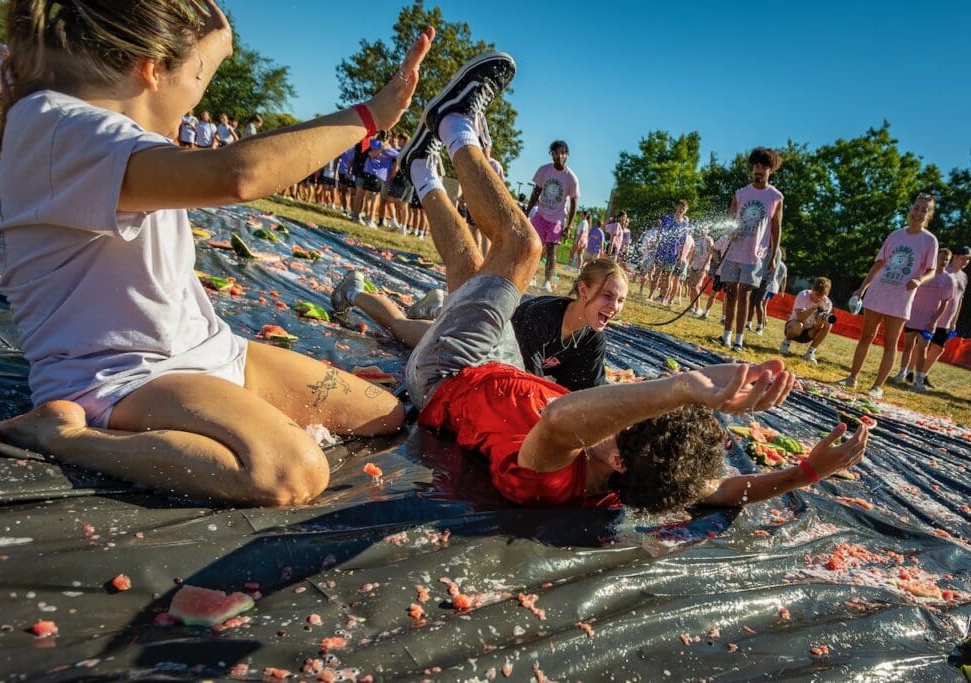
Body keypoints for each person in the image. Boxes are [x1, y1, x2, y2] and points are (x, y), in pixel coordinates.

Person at [0, 0, 436, 506]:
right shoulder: (57, 128)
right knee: (291, 473)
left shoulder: (90, 127)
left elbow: (184, 94)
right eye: (196, 73)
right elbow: (237, 174)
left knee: (384, 414)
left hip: (209, 351)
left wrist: (217, 44)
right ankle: (63, 435)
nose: (196, 92)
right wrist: (371, 116)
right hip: (119, 377)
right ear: (150, 70)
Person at [396, 54, 867, 511]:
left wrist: (680, 387)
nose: (619, 412)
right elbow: (720, 489)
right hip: (503, 367)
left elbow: (558, 418)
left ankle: (453, 123)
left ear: (618, 459)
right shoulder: (635, 477)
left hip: (449, 375)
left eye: (627, 420)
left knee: (521, 247)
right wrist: (806, 473)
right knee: (471, 271)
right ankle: (421, 169)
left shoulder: (550, 472)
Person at [330, 258, 627, 391]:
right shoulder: (543, 318)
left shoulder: (592, 337)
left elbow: (588, 392)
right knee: (400, 326)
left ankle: (437, 306)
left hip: (489, 359)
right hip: (471, 342)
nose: (614, 307)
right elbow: (527, 384)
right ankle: (353, 291)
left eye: (621, 300)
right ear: (584, 290)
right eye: (608, 296)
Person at [838, 193, 939, 398]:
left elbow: (932, 270)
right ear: (910, 210)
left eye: (924, 210)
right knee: (866, 336)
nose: (918, 213)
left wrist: (919, 280)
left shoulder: (930, 241)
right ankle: (852, 378)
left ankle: (877, 386)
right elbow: (879, 263)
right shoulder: (895, 235)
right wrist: (862, 288)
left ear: (929, 215)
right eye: (916, 208)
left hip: (901, 297)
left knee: (890, 342)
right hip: (879, 291)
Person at [718, 149, 783, 351]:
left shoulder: (775, 197)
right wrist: (730, 231)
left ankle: (738, 340)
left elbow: (776, 228)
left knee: (745, 295)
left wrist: (774, 255)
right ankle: (726, 336)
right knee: (730, 294)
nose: (758, 170)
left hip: (755, 255)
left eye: (763, 167)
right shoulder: (740, 193)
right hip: (734, 251)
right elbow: (730, 219)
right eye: (756, 166)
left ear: (770, 170)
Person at [892, 248, 954, 389]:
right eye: (941, 258)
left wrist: (934, 321)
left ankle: (919, 379)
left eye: (947, 260)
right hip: (913, 316)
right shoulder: (924, 274)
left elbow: (944, 303)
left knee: (922, 349)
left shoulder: (948, 280)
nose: (943, 261)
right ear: (935, 258)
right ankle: (902, 372)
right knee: (907, 346)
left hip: (928, 321)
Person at [912, 245, 970, 389]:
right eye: (963, 258)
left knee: (938, 348)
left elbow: (959, 299)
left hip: (947, 321)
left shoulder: (964, 277)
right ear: (955, 256)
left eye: (968, 260)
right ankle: (909, 372)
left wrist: (954, 321)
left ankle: (923, 375)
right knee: (921, 346)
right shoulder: (943, 271)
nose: (966, 262)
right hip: (932, 316)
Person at [526, 140, 580, 292]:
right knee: (535, 246)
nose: (559, 156)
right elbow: (536, 192)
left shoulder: (571, 178)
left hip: (557, 219)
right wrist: (527, 211)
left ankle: (547, 281)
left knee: (551, 249)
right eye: (556, 153)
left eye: (562, 153)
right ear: (552, 155)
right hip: (541, 214)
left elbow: (574, 203)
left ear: (566, 155)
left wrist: (569, 225)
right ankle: (531, 276)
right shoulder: (544, 170)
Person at [780, 276, 834, 364]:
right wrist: (814, 308)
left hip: (809, 333)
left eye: (821, 296)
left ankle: (810, 352)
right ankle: (785, 343)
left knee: (829, 324)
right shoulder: (803, 295)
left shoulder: (827, 303)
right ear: (812, 288)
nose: (818, 298)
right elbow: (799, 318)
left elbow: (818, 327)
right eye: (816, 294)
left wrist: (819, 323)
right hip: (794, 329)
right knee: (798, 325)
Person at [650, 200, 690, 305]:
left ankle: (663, 299)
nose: (681, 210)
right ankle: (650, 296)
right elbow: (660, 233)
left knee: (668, 276)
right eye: (680, 207)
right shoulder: (667, 218)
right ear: (676, 207)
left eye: (684, 208)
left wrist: (680, 256)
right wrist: (656, 245)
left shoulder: (685, 224)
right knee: (657, 273)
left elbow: (682, 242)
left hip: (673, 253)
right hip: (662, 249)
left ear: (686, 211)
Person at [747, 248, 787, 336]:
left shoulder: (777, 251)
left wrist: (769, 282)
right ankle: (748, 324)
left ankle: (760, 327)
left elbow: (775, 269)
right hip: (757, 278)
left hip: (766, 280)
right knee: (752, 300)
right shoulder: (763, 246)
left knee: (759, 302)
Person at [686, 226, 714, 315]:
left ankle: (698, 308)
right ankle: (692, 307)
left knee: (696, 286)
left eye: (705, 228)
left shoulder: (709, 240)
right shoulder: (698, 239)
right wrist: (690, 262)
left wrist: (704, 266)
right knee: (691, 286)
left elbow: (710, 255)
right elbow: (694, 252)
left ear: (708, 230)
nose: (703, 230)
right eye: (702, 228)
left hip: (702, 266)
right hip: (694, 265)